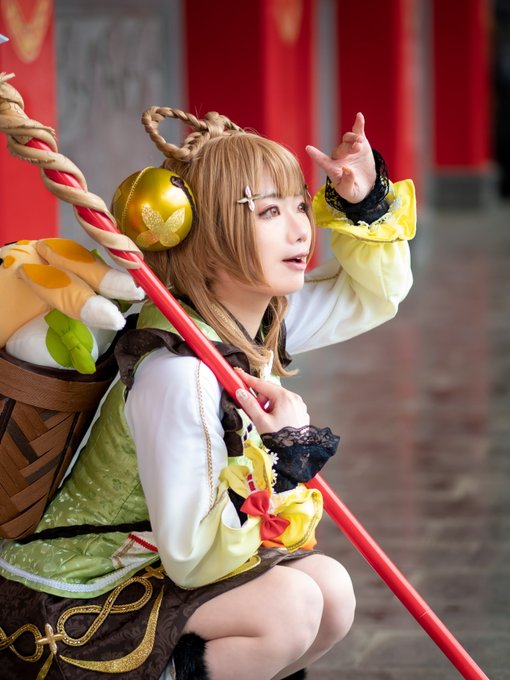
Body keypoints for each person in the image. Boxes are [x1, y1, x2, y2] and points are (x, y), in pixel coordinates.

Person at [0, 107, 415, 680]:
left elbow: (370, 297)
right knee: (290, 607)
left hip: (157, 559)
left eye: (300, 204)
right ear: (213, 235)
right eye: (269, 211)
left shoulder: (249, 322)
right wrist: (284, 458)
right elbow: (193, 559)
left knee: (332, 591)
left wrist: (362, 201)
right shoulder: (179, 373)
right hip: (76, 588)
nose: (301, 230)